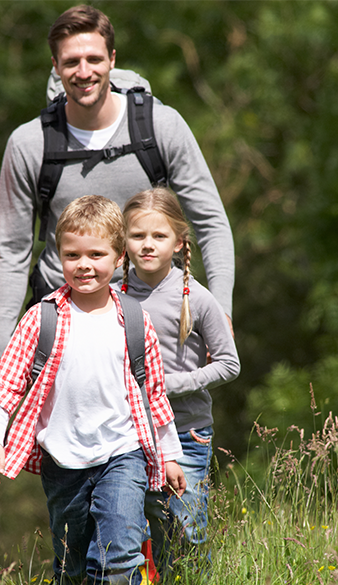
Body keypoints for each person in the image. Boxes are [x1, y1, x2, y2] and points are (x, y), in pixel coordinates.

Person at [0, 4, 235, 362]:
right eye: (71, 62)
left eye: (94, 59)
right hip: (66, 323)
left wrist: (220, 311)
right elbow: (11, 251)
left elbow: (211, 222)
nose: (83, 72)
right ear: (55, 67)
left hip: (156, 317)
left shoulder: (161, 126)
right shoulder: (30, 144)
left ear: (112, 60)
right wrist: (3, 349)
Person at [0, 195, 187, 584]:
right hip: (63, 460)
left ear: (119, 257)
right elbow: (5, 385)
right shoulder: (42, 318)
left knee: (120, 555)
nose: (84, 265)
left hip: (123, 453)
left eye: (96, 254)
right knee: (72, 565)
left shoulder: (135, 320)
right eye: (73, 255)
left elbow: (154, 395)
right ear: (59, 256)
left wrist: (170, 455)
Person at [120, 187, 240, 575]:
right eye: (138, 236)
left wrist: (171, 383)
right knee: (125, 535)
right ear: (124, 241)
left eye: (159, 236)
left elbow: (228, 364)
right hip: (125, 435)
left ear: (179, 242)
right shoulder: (111, 296)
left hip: (186, 432)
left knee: (184, 532)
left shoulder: (197, 297)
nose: (148, 245)